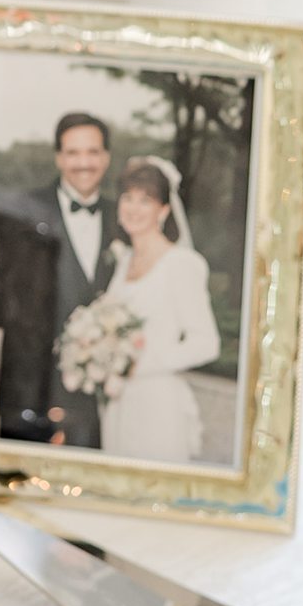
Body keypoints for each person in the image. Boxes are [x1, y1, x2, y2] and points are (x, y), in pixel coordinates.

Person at [0, 110, 120, 448]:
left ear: (106, 157)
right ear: (58, 157)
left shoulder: (123, 218)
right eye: (73, 153)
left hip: (97, 398)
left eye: (92, 152)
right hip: (30, 394)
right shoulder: (22, 211)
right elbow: (5, 300)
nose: (83, 163)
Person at [89, 157, 220, 463]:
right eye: (128, 197)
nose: (133, 208)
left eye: (145, 200)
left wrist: (139, 365)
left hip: (158, 404)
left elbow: (206, 343)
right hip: (118, 402)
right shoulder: (122, 262)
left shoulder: (182, 265)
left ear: (163, 210)